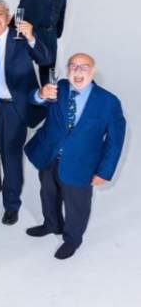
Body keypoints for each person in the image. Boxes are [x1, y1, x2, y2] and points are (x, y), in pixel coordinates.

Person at [25, 53, 126, 260]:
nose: (78, 71)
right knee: (48, 193)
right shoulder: (58, 88)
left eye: (84, 67)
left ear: (93, 71)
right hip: (49, 155)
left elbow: (115, 141)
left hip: (81, 164)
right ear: (68, 70)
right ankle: (51, 224)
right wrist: (40, 94)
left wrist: (104, 172)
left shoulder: (108, 102)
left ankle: (72, 239)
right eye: (73, 66)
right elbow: (33, 100)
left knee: (76, 204)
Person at [0, 0, 52, 222]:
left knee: (11, 157)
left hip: (13, 108)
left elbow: (46, 59)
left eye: (0, 13)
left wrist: (32, 37)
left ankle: (11, 204)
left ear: (8, 17)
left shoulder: (21, 39)